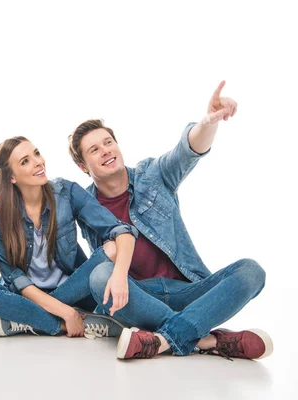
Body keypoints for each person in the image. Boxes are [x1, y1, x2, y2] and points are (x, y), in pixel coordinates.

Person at [68, 81, 272, 360]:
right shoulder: (83, 206)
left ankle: (162, 339)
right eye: (94, 150)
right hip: (136, 297)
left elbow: (186, 151)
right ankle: (208, 339)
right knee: (100, 276)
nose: (105, 150)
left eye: (108, 142)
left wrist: (208, 122)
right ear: (83, 166)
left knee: (251, 272)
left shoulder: (152, 175)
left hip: (189, 290)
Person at [0, 136, 137, 339]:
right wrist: (66, 312)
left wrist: (119, 276)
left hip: (72, 290)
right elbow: (12, 275)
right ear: (11, 177)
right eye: (25, 161)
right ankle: (65, 324)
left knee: (112, 248)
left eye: (37, 153)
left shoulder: (65, 192)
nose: (38, 162)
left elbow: (121, 231)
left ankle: (27, 319)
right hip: (28, 294)